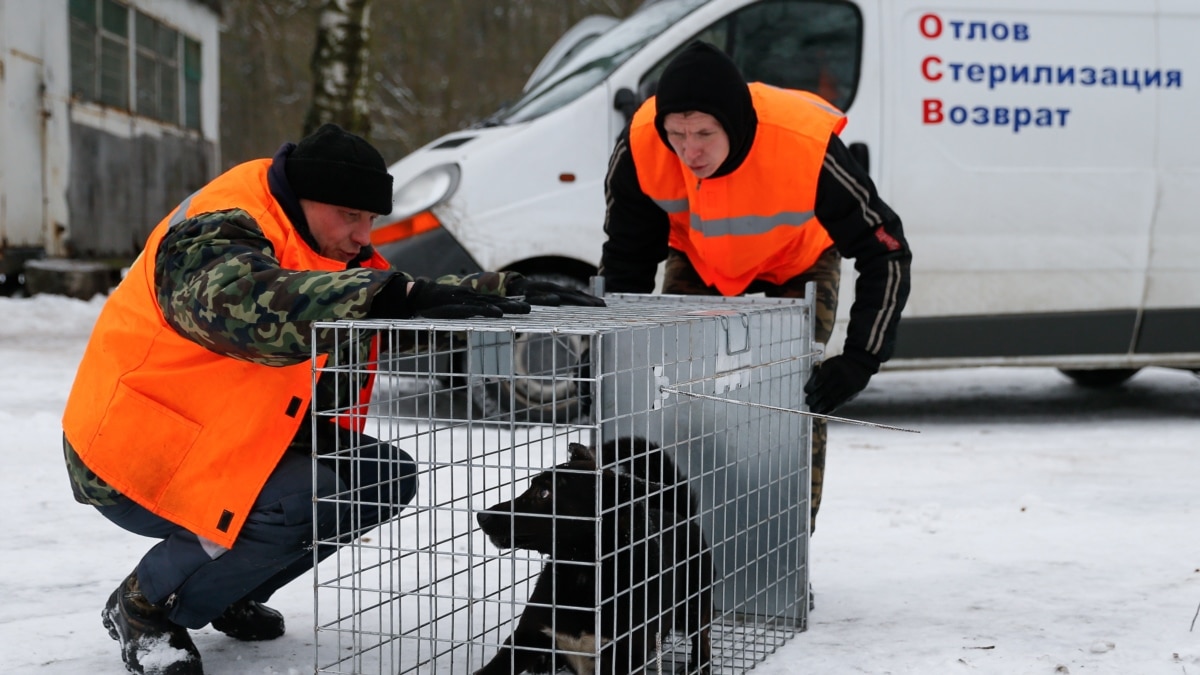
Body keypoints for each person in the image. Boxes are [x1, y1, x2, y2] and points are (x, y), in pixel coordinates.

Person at [62, 123, 603, 675]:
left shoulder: (326, 243)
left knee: (380, 477)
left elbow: (391, 310)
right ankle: (145, 606)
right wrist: (395, 297)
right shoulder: (218, 228)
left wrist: (496, 292)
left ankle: (222, 592)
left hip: (222, 435)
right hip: (136, 451)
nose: (363, 236)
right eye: (351, 217)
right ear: (305, 198)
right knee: (304, 496)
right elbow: (243, 306)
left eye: (371, 221)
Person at [599, 41, 912, 537]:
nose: (689, 150)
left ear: (736, 123)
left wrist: (860, 359)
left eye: (704, 133)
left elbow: (887, 250)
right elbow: (627, 259)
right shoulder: (641, 143)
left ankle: (785, 547)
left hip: (799, 259)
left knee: (792, 397)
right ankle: (675, 539)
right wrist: (617, 353)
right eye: (677, 134)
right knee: (679, 393)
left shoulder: (803, 142)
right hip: (700, 259)